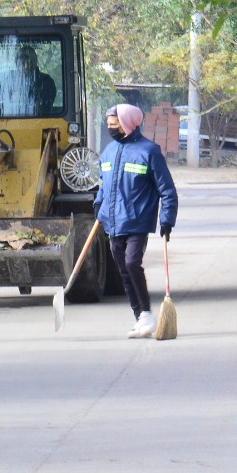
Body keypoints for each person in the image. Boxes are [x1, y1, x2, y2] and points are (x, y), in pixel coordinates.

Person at [93, 103, 178, 339]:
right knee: (123, 270)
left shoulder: (149, 151)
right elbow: (104, 186)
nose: (110, 127)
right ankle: (140, 317)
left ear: (128, 123)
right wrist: (98, 205)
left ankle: (147, 314)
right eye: (108, 124)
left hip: (138, 221)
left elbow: (167, 189)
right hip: (113, 222)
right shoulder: (108, 152)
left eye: (114, 123)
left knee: (132, 263)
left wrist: (167, 219)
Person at [0, 45, 56, 117]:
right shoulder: (8, 80)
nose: (27, 62)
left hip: (38, 121)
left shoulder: (46, 81)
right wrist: (10, 100)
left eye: (29, 58)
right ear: (16, 61)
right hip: (9, 121)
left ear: (35, 61)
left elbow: (46, 104)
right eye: (22, 58)